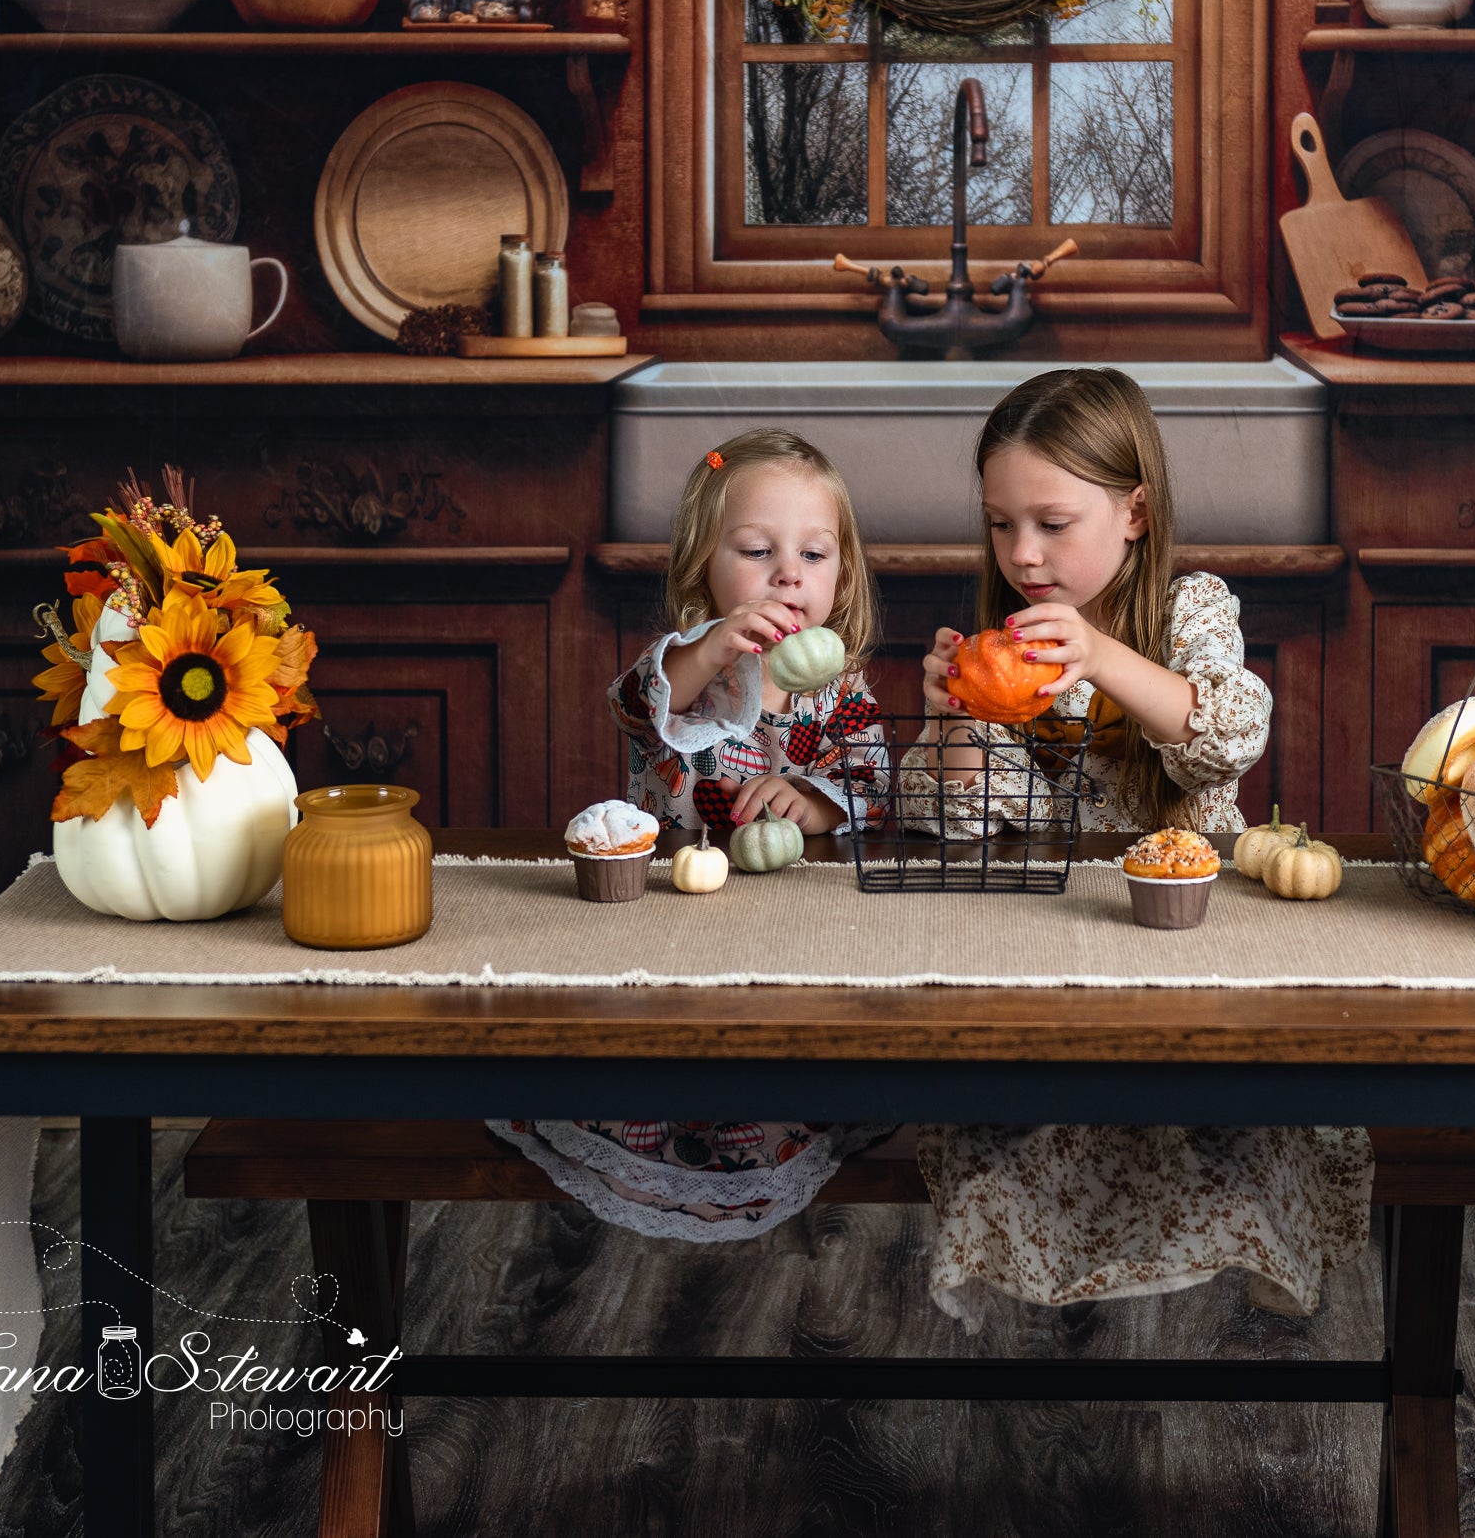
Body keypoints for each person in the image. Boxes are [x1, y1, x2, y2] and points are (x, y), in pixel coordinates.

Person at [900, 367, 1373, 1329]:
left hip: (1195, 951)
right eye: (1000, 524)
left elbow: (1229, 732)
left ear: (1136, 513)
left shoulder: (1190, 611)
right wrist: (950, 721)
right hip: (1053, 957)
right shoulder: (1006, 649)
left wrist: (1101, 656)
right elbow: (962, 816)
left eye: (1052, 522)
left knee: (1219, 1128)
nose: (1023, 554)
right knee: (1024, 1126)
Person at [488, 428, 891, 1235]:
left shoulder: (838, 689)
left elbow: (870, 786)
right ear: (703, 562)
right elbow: (638, 703)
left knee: (784, 1071)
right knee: (677, 1062)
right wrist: (711, 647)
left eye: (815, 554)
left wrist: (813, 802)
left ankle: (776, 1140)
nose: (788, 573)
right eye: (756, 549)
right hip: (676, 925)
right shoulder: (691, 668)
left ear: (841, 574)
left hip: (796, 941)